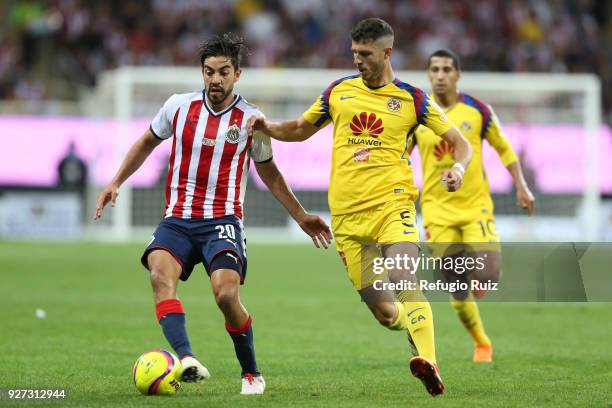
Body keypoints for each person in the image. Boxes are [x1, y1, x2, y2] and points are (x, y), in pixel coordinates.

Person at [93, 33, 331, 395]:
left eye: (223, 72)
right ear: (201, 73)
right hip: (177, 218)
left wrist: (300, 216)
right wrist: (116, 181)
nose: (215, 80)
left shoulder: (252, 120)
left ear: (238, 74)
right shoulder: (177, 107)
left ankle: (251, 372)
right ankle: (186, 359)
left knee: (224, 295)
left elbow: (268, 171)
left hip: (222, 222)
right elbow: (146, 142)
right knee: (159, 275)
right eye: (208, 72)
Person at [248, 18, 472, 397]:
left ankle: (430, 362)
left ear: (387, 53)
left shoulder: (412, 98)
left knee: (404, 278)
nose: (358, 61)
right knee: (386, 314)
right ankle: (411, 328)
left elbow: (457, 140)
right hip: (349, 221)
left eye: (365, 54)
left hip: (393, 206)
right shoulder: (338, 92)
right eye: (354, 53)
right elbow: (300, 130)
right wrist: (266, 126)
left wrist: (458, 168)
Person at [409, 49, 535, 363]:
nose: (440, 75)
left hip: (475, 207)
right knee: (456, 290)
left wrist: (521, 185)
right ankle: (482, 343)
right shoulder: (417, 114)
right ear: (428, 74)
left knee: (486, 278)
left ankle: (483, 274)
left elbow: (504, 149)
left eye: (446, 69)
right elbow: (398, 155)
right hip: (437, 213)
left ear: (457, 74)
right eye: (434, 69)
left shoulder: (478, 110)